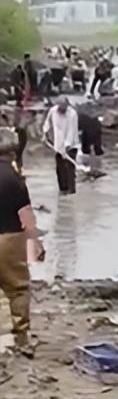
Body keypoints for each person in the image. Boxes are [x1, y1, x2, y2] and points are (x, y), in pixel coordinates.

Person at [0, 128, 44, 357]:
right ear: (11, 152)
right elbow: (25, 215)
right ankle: (21, 337)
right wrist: (35, 243)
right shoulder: (15, 178)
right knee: (17, 289)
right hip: (9, 239)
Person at [42, 97, 80, 194]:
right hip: (58, 145)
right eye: (60, 107)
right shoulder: (53, 111)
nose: (62, 109)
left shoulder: (72, 114)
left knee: (69, 171)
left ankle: (71, 192)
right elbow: (47, 122)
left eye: (64, 107)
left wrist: (66, 147)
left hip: (71, 146)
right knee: (60, 170)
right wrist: (45, 133)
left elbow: (71, 132)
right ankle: (62, 191)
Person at [77, 109, 105, 175]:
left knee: (91, 149)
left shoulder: (82, 116)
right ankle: (93, 167)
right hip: (90, 128)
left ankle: (92, 168)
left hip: (90, 128)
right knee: (93, 149)